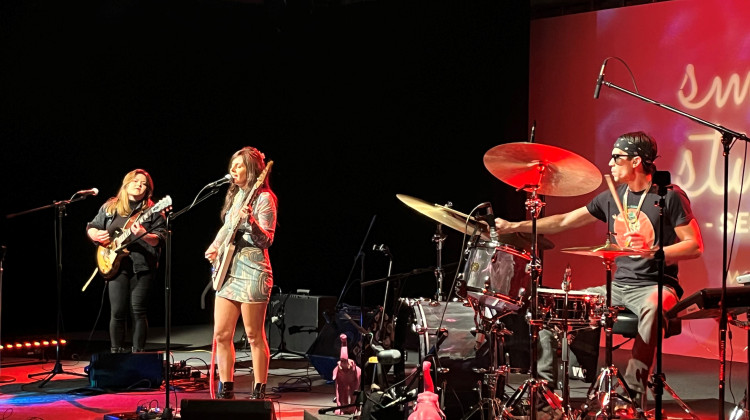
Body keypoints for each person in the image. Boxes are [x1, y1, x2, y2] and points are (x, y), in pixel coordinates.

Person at [493, 131, 704, 403]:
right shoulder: (611, 197)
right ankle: (544, 391)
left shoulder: (669, 197)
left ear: (637, 161)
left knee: (652, 307)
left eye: (617, 158)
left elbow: (694, 246)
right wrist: (515, 226)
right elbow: (565, 221)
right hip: (618, 287)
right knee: (554, 306)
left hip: (657, 286)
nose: (610, 164)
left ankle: (631, 391)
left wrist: (653, 251)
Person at [204, 146, 277, 400]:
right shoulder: (238, 196)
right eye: (231, 166)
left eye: (238, 166)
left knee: (254, 335)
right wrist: (214, 247)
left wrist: (251, 222)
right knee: (221, 334)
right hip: (229, 272)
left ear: (253, 168)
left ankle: (259, 390)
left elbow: (266, 240)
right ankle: (226, 389)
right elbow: (227, 228)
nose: (232, 170)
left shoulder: (265, 198)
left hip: (254, 272)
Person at [86, 169, 167, 354]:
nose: (139, 184)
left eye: (144, 183)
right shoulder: (110, 207)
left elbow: (160, 238)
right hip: (115, 266)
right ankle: (116, 354)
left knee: (138, 310)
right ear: (126, 184)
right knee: (117, 312)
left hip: (143, 265)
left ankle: (138, 354)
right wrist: (95, 234)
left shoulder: (153, 211)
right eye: (136, 181)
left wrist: (142, 235)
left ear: (148, 190)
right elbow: (92, 226)